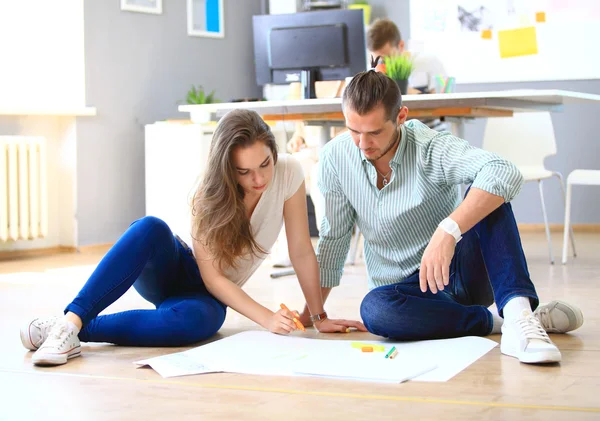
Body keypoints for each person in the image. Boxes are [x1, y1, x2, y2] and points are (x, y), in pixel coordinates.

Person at [20, 109, 365, 366]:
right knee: (149, 227)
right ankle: (70, 322)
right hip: (179, 272)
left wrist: (317, 316)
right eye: (244, 172)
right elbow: (211, 275)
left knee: (202, 321)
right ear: (227, 169)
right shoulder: (208, 194)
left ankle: (72, 331)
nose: (259, 179)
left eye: (264, 164)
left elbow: (302, 250)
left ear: (274, 153)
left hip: (207, 297)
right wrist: (265, 317)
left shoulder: (288, 173)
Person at [297, 70, 583, 364]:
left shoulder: (429, 146)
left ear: (400, 117)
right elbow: (334, 239)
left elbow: (504, 171)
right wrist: (313, 315)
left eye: (374, 132)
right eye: (353, 130)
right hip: (407, 295)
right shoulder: (335, 158)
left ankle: (519, 313)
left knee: (489, 191)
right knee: (374, 312)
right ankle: (500, 321)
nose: (362, 144)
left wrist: (448, 230)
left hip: (459, 273)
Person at [367, 18, 449, 132]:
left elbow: (446, 102)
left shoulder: (428, 63)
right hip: (395, 137)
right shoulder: (373, 70)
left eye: (387, 59)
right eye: (377, 60)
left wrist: (414, 93)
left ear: (401, 46)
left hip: (431, 133)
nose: (383, 65)